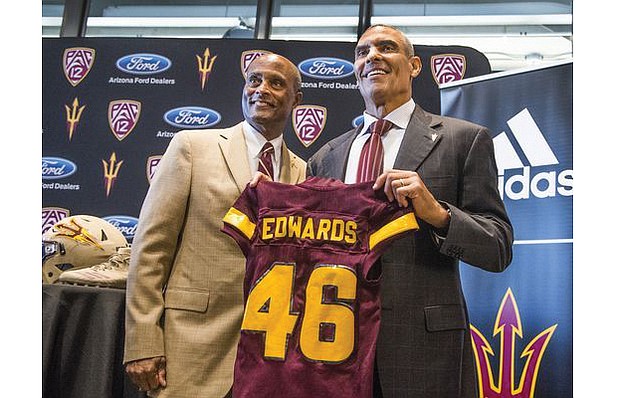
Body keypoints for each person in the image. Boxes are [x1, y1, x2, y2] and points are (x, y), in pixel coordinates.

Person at [307, 24, 514, 397]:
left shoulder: (463, 139)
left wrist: (437, 213)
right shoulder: (325, 157)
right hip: (333, 349)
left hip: (424, 350)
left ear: (415, 65)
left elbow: (498, 247)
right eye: (362, 52)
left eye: (387, 48)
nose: (372, 57)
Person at [123, 53, 306, 397]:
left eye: (276, 83)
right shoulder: (193, 147)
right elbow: (150, 248)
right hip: (190, 348)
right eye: (254, 80)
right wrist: (142, 342)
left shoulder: (301, 171)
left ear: (296, 99)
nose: (261, 89)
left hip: (267, 359)